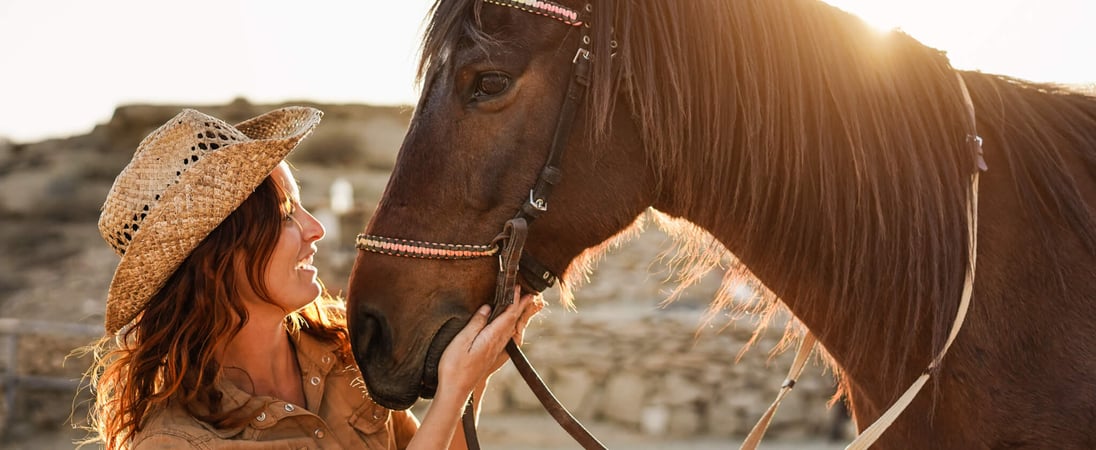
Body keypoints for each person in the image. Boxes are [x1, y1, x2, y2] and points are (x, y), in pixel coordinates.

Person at [83, 106, 541, 449]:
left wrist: (474, 374)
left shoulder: (343, 349)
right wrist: (451, 393)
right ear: (219, 254)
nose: (315, 229)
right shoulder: (176, 442)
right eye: (285, 214)